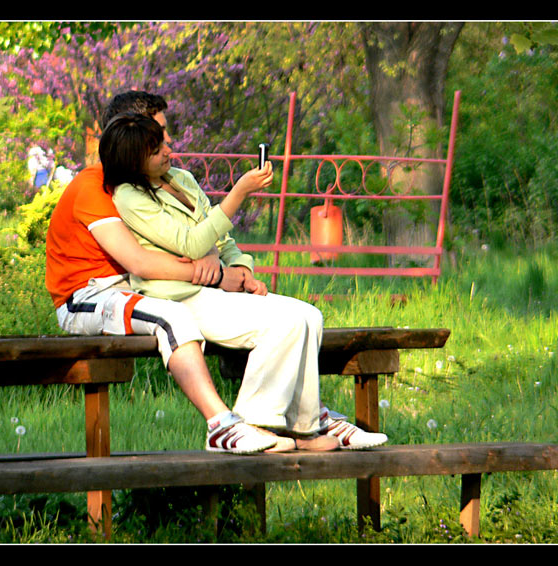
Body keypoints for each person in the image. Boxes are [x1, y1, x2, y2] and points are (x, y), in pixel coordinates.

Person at [102, 104, 387, 451]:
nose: (168, 150)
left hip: (214, 289)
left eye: (163, 143)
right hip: (179, 297)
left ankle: (305, 426)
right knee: (284, 324)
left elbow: (219, 238)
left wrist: (242, 270)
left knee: (310, 316)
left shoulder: (182, 179)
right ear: (133, 159)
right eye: (156, 149)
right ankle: (251, 425)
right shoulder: (129, 196)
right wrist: (239, 193)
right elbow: (191, 243)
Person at [45, 140, 281, 455]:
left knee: (269, 314)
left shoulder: (152, 184)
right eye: (155, 143)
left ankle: (299, 420)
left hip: (135, 288)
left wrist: (225, 263)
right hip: (89, 294)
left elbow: (192, 237)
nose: (168, 149)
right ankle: (221, 423)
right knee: (171, 316)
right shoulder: (94, 187)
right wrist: (217, 277)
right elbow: (139, 262)